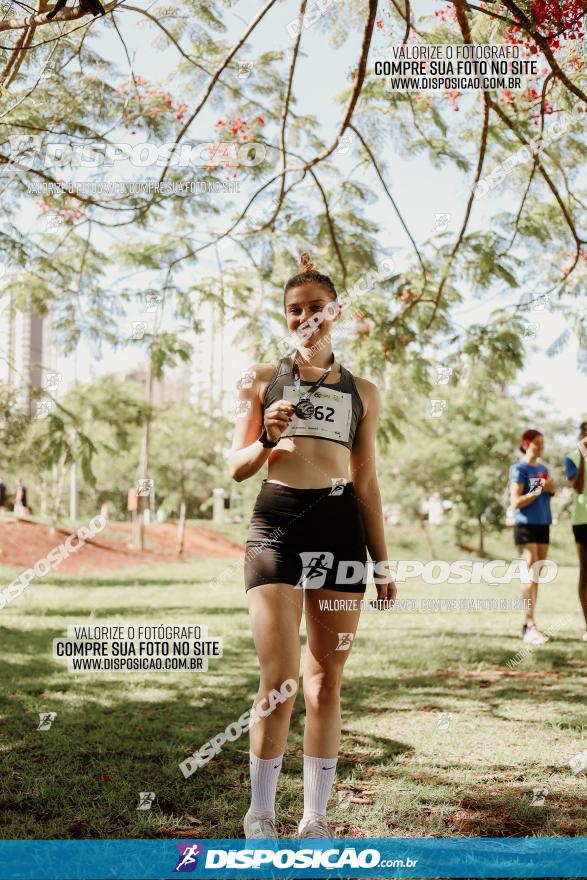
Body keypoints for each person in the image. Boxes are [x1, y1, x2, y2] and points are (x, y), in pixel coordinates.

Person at [228, 252, 396, 840]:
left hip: (340, 529)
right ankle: (260, 814)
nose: (306, 317)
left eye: (316, 308)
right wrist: (267, 436)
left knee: (325, 679)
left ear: (335, 312)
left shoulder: (364, 390)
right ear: (285, 316)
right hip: (277, 524)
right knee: (279, 678)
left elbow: (368, 482)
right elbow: (237, 467)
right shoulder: (258, 379)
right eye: (294, 309)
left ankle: (316, 818)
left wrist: (382, 562)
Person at [510, 430, 556, 645]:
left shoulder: (543, 469)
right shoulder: (519, 468)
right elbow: (515, 502)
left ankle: (531, 623)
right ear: (526, 444)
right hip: (525, 525)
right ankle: (529, 625)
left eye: (542, 443)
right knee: (529, 572)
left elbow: (552, 488)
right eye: (536, 443)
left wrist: (546, 486)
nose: (540, 446)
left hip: (543, 524)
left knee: (537, 573)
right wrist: (536, 490)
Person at [563, 421, 587, 641]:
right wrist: (583, 456)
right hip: (582, 521)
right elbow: (578, 486)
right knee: (585, 573)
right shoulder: (572, 457)